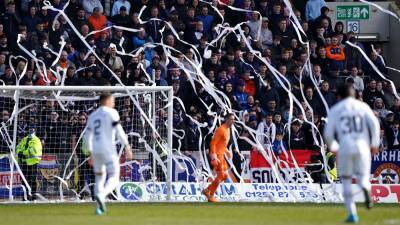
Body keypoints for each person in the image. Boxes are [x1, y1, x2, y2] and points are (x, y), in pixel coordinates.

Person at [324, 84, 380, 223]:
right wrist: (374, 144)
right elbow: (374, 124)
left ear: (338, 96)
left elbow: (328, 132)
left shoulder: (336, 109)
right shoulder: (363, 106)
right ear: (354, 95)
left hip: (345, 147)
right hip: (363, 146)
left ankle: (353, 214)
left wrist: (334, 147)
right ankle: (366, 188)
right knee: (362, 178)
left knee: (346, 181)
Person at [84, 93, 133, 215]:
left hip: (96, 150)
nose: (114, 103)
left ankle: (99, 208)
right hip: (108, 149)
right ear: (106, 101)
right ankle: (102, 194)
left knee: (99, 177)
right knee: (114, 176)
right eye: (112, 100)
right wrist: (126, 146)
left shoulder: (93, 115)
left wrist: (90, 153)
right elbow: (119, 131)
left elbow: (87, 136)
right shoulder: (112, 113)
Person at [202, 113, 235, 202]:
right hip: (217, 155)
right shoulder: (221, 129)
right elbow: (213, 143)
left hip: (222, 155)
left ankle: (207, 190)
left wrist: (227, 151)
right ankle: (210, 194)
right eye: (231, 119)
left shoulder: (228, 129)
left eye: (233, 119)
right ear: (226, 119)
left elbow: (222, 143)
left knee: (224, 176)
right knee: (222, 175)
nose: (233, 121)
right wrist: (213, 155)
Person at [16, 127, 42, 201]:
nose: (31, 132)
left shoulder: (36, 140)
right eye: (30, 130)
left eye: (32, 131)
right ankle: (25, 196)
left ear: (35, 131)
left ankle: (33, 197)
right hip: (24, 162)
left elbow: (33, 150)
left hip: (33, 162)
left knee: (32, 180)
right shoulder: (24, 139)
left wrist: (23, 153)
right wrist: (19, 153)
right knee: (24, 180)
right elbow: (18, 147)